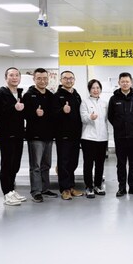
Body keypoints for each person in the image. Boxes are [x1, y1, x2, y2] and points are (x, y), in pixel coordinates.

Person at [108, 72, 133, 197]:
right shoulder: (114, 99)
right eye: (123, 81)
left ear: (131, 83)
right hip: (119, 136)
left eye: (127, 81)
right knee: (121, 163)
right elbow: (110, 116)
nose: (125, 83)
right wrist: (118, 125)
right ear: (119, 83)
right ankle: (121, 187)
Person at [23, 68, 57, 203]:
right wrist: (34, 113)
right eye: (39, 78)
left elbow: (54, 114)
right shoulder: (28, 95)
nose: (42, 81)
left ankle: (45, 188)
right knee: (35, 166)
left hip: (48, 135)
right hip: (35, 136)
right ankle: (36, 191)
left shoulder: (50, 95)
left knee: (46, 164)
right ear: (34, 79)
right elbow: (23, 114)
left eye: (44, 78)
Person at [0, 67, 27, 206]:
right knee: (7, 164)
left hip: (19, 134)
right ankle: (6, 193)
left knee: (15, 164)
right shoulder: (0, 93)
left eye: (17, 75)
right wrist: (13, 108)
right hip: (6, 135)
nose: (14, 78)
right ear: (6, 77)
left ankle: (11, 190)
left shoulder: (19, 93)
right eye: (11, 75)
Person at [53, 70, 84, 200]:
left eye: (71, 78)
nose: (68, 80)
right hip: (63, 135)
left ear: (74, 80)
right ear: (61, 80)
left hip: (76, 134)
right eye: (65, 78)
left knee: (73, 162)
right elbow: (52, 115)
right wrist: (62, 111)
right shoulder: (57, 96)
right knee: (64, 162)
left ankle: (71, 186)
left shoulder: (76, 95)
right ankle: (64, 189)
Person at [80, 79, 109, 197]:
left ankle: (98, 185)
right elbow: (83, 118)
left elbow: (107, 119)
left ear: (100, 89)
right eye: (93, 88)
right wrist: (90, 117)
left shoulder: (104, 103)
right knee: (88, 163)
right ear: (89, 90)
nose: (95, 90)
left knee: (100, 163)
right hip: (88, 138)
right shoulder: (84, 102)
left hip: (102, 138)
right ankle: (89, 186)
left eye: (97, 88)